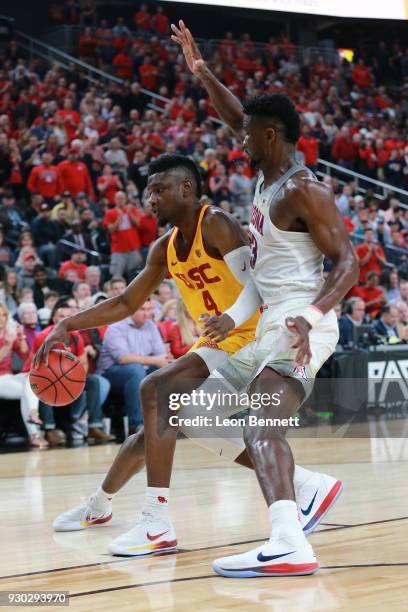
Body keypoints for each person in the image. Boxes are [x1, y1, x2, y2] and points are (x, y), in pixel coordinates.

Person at [38, 155, 341, 562]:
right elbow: (128, 302)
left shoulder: (215, 223)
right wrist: (68, 324)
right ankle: (100, 505)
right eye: (148, 191)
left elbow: (255, 285)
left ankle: (155, 521)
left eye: (158, 189)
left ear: (186, 188)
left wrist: (231, 318)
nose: (150, 199)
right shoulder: (164, 248)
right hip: (218, 342)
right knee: (157, 425)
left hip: (249, 335)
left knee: (157, 391)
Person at [168, 23, 358, 577]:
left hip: (303, 324)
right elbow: (234, 114)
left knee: (259, 422)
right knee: (191, 411)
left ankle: (288, 540)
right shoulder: (265, 176)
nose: (239, 140)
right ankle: (306, 489)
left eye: (248, 135)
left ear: (270, 136)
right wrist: (202, 71)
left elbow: (351, 263)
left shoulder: (304, 188)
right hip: (270, 319)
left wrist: (311, 314)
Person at [97, 298, 170, 434]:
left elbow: (161, 356)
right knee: (136, 371)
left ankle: (165, 422)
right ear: (131, 310)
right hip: (112, 373)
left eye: (149, 309)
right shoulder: (115, 328)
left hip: (141, 370)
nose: (147, 314)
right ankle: (136, 425)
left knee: (164, 371)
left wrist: (161, 362)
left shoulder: (151, 326)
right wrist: (155, 360)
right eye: (142, 309)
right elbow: (123, 358)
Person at [103, 190, 143, 279]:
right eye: (118, 198)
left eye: (122, 198)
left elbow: (138, 224)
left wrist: (130, 214)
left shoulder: (132, 209)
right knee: (116, 275)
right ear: (114, 200)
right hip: (118, 250)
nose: (120, 200)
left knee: (135, 276)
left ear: (125, 199)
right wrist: (119, 219)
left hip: (133, 248)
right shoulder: (110, 212)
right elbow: (111, 229)